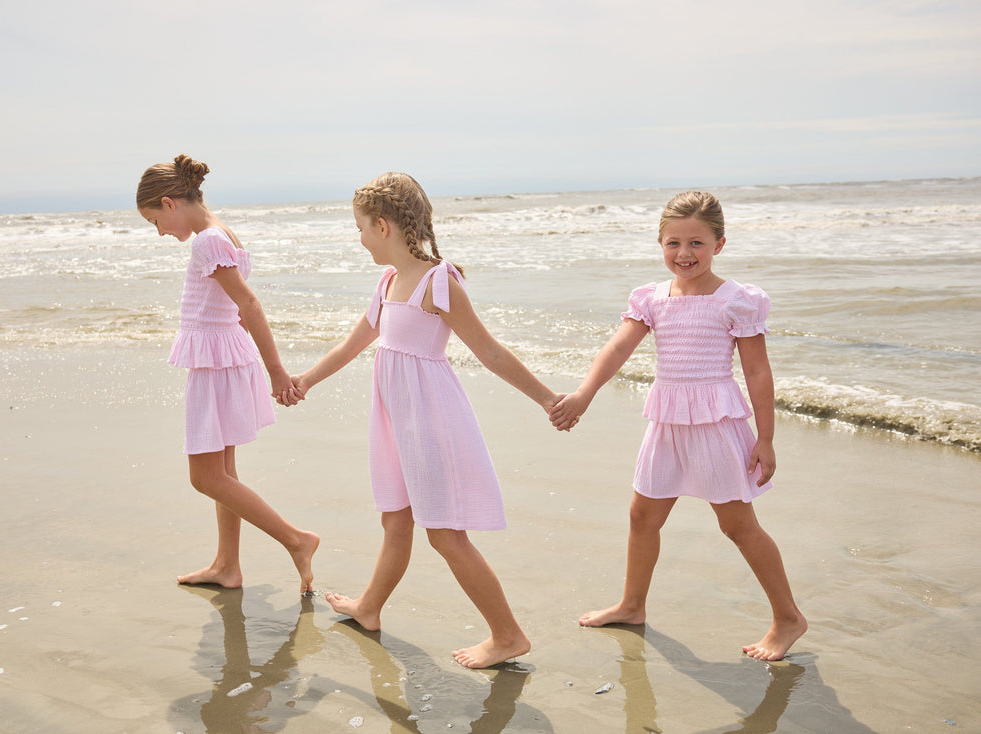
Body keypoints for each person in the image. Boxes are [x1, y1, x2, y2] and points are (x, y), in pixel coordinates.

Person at [289, 172, 560, 668]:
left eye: (360, 228)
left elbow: (490, 352)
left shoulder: (439, 281)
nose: (359, 237)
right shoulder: (389, 281)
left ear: (383, 225)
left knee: (445, 534)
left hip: (431, 420)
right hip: (396, 421)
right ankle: (370, 608)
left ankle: (508, 634)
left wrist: (547, 399)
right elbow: (354, 343)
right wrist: (305, 380)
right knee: (396, 519)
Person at [550, 191, 806, 661]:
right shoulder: (651, 298)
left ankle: (788, 617)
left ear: (719, 244)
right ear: (660, 244)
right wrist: (584, 393)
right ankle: (632, 604)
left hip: (715, 422)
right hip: (667, 420)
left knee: (737, 525)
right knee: (641, 516)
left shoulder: (736, 301)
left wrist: (766, 438)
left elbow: (758, 373)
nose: (684, 254)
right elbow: (617, 349)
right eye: (673, 243)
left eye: (696, 243)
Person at [136, 154, 318, 593]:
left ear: (169, 202)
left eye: (154, 221)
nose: (159, 232)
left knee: (205, 477)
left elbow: (249, 304)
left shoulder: (206, 241)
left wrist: (277, 372)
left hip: (216, 364)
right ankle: (227, 566)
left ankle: (296, 540)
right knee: (225, 473)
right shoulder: (221, 234)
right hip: (225, 357)